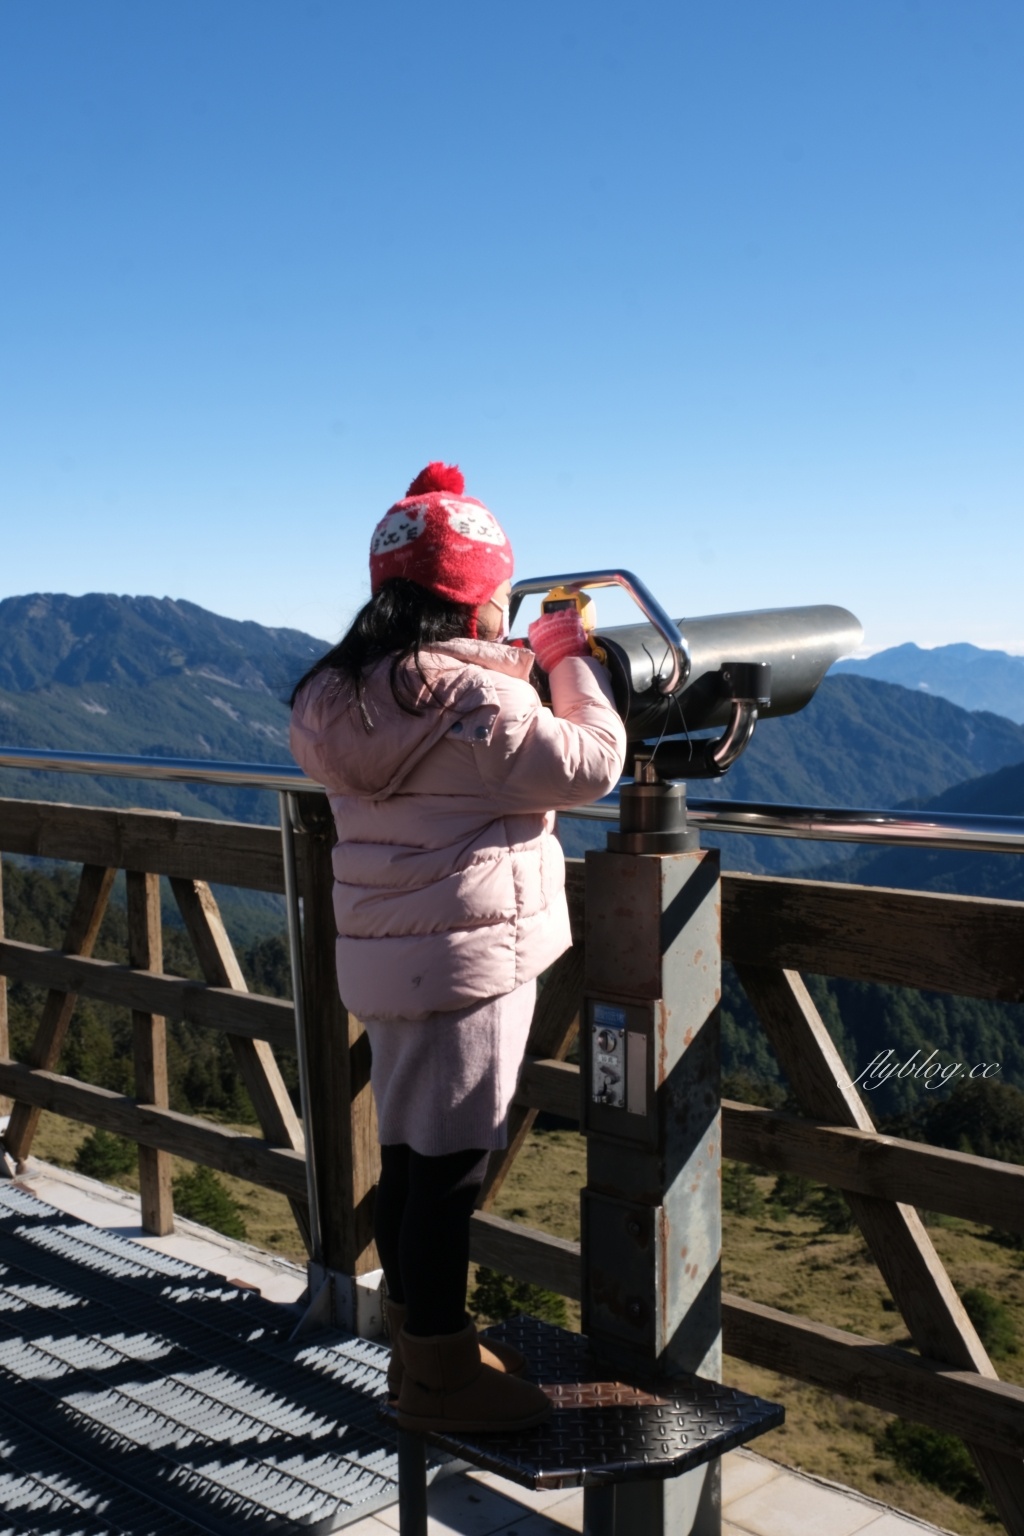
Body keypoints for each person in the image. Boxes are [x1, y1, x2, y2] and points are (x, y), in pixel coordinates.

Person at [289, 462, 626, 1433]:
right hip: (472, 966)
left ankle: (419, 1340)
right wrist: (567, 658)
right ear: (479, 602)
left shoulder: (343, 699)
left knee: (409, 1155)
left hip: (385, 962)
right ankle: (439, 1377)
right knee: (449, 1171)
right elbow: (590, 765)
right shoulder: (482, 708)